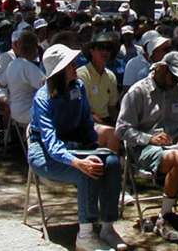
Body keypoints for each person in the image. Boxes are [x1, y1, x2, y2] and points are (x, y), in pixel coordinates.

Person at [29, 44, 126, 251]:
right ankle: (85, 235)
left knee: (111, 162)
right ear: (60, 70)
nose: (75, 67)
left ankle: (107, 227)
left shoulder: (79, 87)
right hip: (46, 154)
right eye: (70, 64)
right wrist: (77, 161)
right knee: (86, 171)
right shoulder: (43, 99)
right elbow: (51, 143)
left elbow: (85, 124)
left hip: (76, 146)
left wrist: (96, 149)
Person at [116, 51, 178, 242]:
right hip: (143, 148)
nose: (176, 82)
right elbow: (121, 130)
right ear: (161, 68)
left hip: (174, 147)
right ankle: (165, 217)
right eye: (174, 77)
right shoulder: (138, 91)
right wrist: (148, 138)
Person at [76, 33, 121, 152]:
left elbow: (112, 107)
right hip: (86, 122)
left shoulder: (111, 76)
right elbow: (82, 110)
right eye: (101, 48)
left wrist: (120, 124)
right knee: (112, 134)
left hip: (106, 121)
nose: (105, 52)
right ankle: (113, 167)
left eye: (108, 48)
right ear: (91, 51)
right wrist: (108, 125)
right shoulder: (82, 75)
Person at [1, 31, 45, 127]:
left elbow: (1, 83)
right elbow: (45, 85)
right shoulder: (29, 67)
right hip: (27, 111)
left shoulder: (11, 64)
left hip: (14, 110)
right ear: (34, 48)